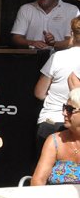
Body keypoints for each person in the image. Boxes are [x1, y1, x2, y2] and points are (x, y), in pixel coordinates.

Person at [34, 16, 80, 150]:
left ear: (72, 34)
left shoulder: (58, 57)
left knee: (44, 170)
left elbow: (39, 93)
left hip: (50, 121)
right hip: (75, 125)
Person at [11, 0, 79, 51]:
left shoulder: (71, 10)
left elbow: (74, 41)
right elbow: (16, 38)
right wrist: (32, 43)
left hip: (60, 60)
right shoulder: (26, 9)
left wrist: (54, 44)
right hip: (30, 60)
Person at [31, 88, 80, 186]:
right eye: (65, 108)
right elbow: (38, 181)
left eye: (70, 110)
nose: (64, 113)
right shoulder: (55, 141)